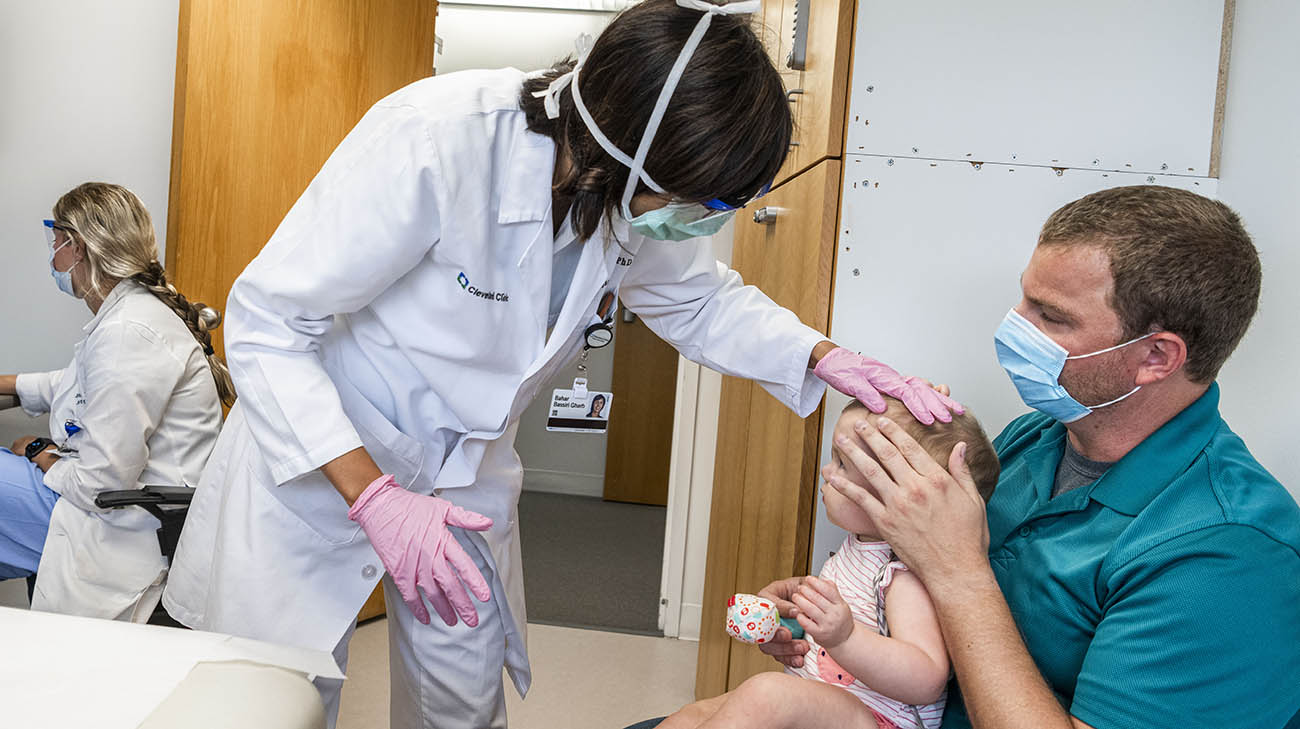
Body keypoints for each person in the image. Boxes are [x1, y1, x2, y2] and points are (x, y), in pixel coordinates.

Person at [161, 0, 961, 727]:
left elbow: (699, 301)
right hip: (320, 458)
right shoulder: (437, 137)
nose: (706, 220)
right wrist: (372, 493)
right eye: (708, 201)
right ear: (636, 148)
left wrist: (824, 355)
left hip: (462, 478)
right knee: (274, 700)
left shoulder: (623, 195)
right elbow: (268, 320)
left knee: (459, 709)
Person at [809, 186, 1300, 728]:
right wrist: (837, 632)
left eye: (1051, 316)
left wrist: (958, 572)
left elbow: (958, 583)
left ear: (1156, 356)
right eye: (1024, 300)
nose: (1014, 327)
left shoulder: (1227, 553)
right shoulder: (1035, 439)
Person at [661, 397, 999, 729]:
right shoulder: (860, 546)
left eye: (842, 464)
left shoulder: (904, 574)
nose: (826, 472)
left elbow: (926, 680)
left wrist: (845, 637)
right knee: (697, 713)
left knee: (767, 694)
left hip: (880, 719)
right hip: (828, 701)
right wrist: (796, 617)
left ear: (897, 494)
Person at [0, 182, 230, 621]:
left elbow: (100, 482)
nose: (53, 257)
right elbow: (80, 384)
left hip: (122, 522)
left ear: (78, 247)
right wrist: (8, 383)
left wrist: (39, 452)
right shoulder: (130, 315)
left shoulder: (128, 331)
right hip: (116, 506)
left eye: (56, 243)